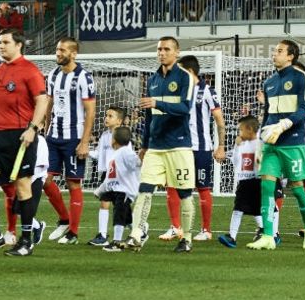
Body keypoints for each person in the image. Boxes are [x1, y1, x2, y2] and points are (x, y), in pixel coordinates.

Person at [0, 30, 50, 256]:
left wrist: (32, 129)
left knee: (22, 187)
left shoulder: (30, 70)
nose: (1, 46)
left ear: (19, 45)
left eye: (5, 42)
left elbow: (42, 101)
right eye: (0, 42)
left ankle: (26, 240)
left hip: (21, 135)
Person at [126, 37, 197, 252]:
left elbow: (185, 108)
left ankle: (186, 239)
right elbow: (149, 117)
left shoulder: (185, 77)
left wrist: (158, 103)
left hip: (179, 145)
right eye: (159, 49)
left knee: (184, 193)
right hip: (155, 147)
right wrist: (145, 145)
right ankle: (136, 235)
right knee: (144, 190)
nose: (162, 53)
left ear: (177, 52)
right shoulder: (153, 79)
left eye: (166, 49)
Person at [248, 39, 305, 250]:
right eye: (274, 51)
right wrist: (261, 141)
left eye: (279, 51)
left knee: (297, 189)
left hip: (292, 143)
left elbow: (303, 109)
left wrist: (284, 125)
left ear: (291, 56)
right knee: (267, 186)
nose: (274, 54)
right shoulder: (269, 82)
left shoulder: (300, 77)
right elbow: (267, 114)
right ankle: (268, 236)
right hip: (271, 145)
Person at [41, 37, 97, 245]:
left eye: (62, 50)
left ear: (73, 54)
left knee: (73, 183)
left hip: (74, 138)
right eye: (57, 49)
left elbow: (91, 111)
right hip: (53, 137)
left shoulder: (84, 77)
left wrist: (85, 142)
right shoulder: (53, 75)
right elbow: (49, 103)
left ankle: (73, 232)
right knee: (44, 180)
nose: (58, 53)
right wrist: (45, 130)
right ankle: (64, 219)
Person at [165, 55, 224, 243]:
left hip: (200, 148)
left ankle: (206, 230)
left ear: (189, 72)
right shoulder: (178, 91)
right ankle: (176, 227)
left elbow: (219, 120)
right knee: (172, 185)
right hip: (178, 147)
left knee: (202, 187)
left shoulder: (206, 91)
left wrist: (221, 146)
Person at [217, 116, 263, 249]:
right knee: (238, 208)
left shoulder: (260, 144)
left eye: (241, 130)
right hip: (243, 181)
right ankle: (232, 237)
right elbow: (237, 162)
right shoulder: (242, 144)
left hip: (257, 181)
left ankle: (266, 231)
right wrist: (237, 147)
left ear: (249, 129)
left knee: (257, 210)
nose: (239, 133)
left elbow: (261, 163)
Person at [94, 126, 138, 252]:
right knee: (126, 216)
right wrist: (100, 190)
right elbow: (109, 178)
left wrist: (141, 158)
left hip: (124, 190)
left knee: (118, 214)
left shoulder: (125, 152)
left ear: (114, 140)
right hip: (115, 189)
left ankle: (117, 242)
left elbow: (136, 162)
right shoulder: (115, 155)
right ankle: (141, 230)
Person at [88, 106, 125, 246]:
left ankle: (139, 228)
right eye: (106, 115)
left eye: (111, 116)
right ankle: (102, 235)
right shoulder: (104, 136)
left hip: (120, 176)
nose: (107, 118)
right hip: (107, 175)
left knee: (121, 207)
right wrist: (87, 152)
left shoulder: (122, 136)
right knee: (104, 203)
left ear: (119, 121)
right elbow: (99, 154)